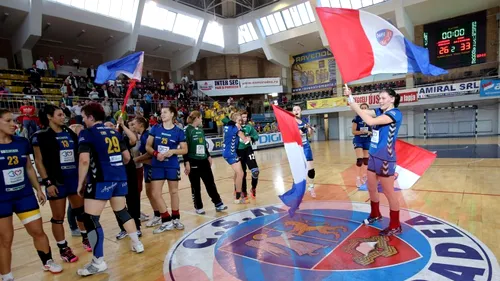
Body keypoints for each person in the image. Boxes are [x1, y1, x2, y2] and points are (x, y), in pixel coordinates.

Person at [76, 103, 144, 277]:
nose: (83, 120)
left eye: (84, 117)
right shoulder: (114, 132)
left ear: (91, 117)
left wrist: (80, 183)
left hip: (100, 180)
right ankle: (137, 243)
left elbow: (84, 161)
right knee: (122, 211)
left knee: (90, 219)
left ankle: (98, 262)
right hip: (119, 178)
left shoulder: (87, 133)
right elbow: (127, 157)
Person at [0, 109, 62, 281]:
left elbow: (28, 167)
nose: (14, 124)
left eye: (14, 121)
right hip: (2, 200)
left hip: (24, 196)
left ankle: (47, 261)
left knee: (38, 231)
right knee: (5, 239)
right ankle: (6, 275)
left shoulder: (21, 142)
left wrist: (38, 189)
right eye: (8, 121)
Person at [31, 105, 90, 265]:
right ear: (49, 117)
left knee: (81, 211)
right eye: (59, 114)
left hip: (73, 179)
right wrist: (47, 182)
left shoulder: (69, 132)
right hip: (56, 181)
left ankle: (86, 238)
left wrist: (82, 178)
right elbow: (38, 161)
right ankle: (63, 248)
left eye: (63, 114)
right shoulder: (40, 136)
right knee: (58, 217)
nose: (63, 117)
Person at [344, 87, 403, 236]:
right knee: (371, 188)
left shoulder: (395, 114)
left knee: (389, 193)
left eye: (383, 98)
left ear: (392, 99)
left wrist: (359, 110)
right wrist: (350, 97)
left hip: (385, 158)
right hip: (373, 156)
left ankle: (395, 225)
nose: (380, 101)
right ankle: (375, 214)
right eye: (379, 99)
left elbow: (368, 120)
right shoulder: (379, 111)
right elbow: (361, 111)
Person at [145, 105, 187, 234]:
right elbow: (148, 146)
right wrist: (156, 154)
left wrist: (173, 151)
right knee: (155, 194)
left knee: (174, 192)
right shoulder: (155, 129)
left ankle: (176, 219)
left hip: (172, 165)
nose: (162, 114)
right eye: (161, 112)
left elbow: (185, 150)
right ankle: (166, 220)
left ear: (172, 114)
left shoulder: (179, 131)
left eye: (165, 112)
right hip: (157, 164)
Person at [103, 118, 142, 240]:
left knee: (133, 200)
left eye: (112, 125)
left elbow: (133, 139)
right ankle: (123, 228)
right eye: (107, 125)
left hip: (128, 172)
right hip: (113, 174)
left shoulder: (122, 138)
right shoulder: (101, 142)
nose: (111, 126)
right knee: (118, 203)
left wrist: (123, 125)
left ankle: (137, 227)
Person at [184, 111, 227, 214]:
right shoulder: (187, 130)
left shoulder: (200, 130)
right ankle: (198, 206)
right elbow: (185, 147)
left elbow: (203, 144)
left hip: (203, 160)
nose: (202, 120)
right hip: (192, 160)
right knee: (195, 186)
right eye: (201, 118)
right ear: (197, 118)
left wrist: (208, 156)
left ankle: (218, 203)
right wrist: (187, 162)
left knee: (210, 183)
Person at [133, 117, 159, 227]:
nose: (133, 126)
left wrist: (136, 159)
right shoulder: (142, 136)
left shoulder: (146, 136)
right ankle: (158, 214)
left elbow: (149, 153)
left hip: (152, 167)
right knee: (150, 192)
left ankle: (159, 215)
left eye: (134, 124)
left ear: (141, 124)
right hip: (147, 166)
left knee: (152, 192)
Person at [223, 112, 250, 204]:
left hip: (228, 152)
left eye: (241, 121)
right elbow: (245, 140)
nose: (241, 122)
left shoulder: (228, 126)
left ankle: (236, 192)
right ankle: (238, 197)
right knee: (240, 173)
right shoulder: (235, 129)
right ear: (235, 121)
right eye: (239, 120)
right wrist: (249, 138)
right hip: (231, 153)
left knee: (237, 173)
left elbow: (224, 120)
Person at [292, 105, 316, 198]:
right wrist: (303, 129)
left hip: (305, 146)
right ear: (292, 112)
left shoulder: (305, 120)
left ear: (301, 111)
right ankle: (297, 190)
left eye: (298, 109)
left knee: (311, 170)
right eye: (294, 110)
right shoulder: (291, 123)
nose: (296, 111)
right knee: (298, 171)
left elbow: (309, 134)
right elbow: (296, 134)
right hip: (296, 148)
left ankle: (311, 187)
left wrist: (310, 129)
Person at [237, 110, 259, 199]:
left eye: (246, 117)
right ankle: (243, 191)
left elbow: (256, 136)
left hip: (248, 150)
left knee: (255, 171)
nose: (244, 119)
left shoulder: (249, 127)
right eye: (243, 117)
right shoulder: (234, 127)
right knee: (242, 173)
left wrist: (251, 138)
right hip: (238, 151)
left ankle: (253, 188)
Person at [352, 103, 372, 187]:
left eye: (365, 108)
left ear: (368, 109)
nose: (363, 109)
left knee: (366, 161)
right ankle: (357, 179)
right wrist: (362, 132)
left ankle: (364, 176)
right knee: (359, 160)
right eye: (362, 108)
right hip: (358, 140)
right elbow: (353, 132)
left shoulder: (370, 118)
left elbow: (372, 131)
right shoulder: (356, 118)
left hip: (367, 140)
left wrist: (370, 132)